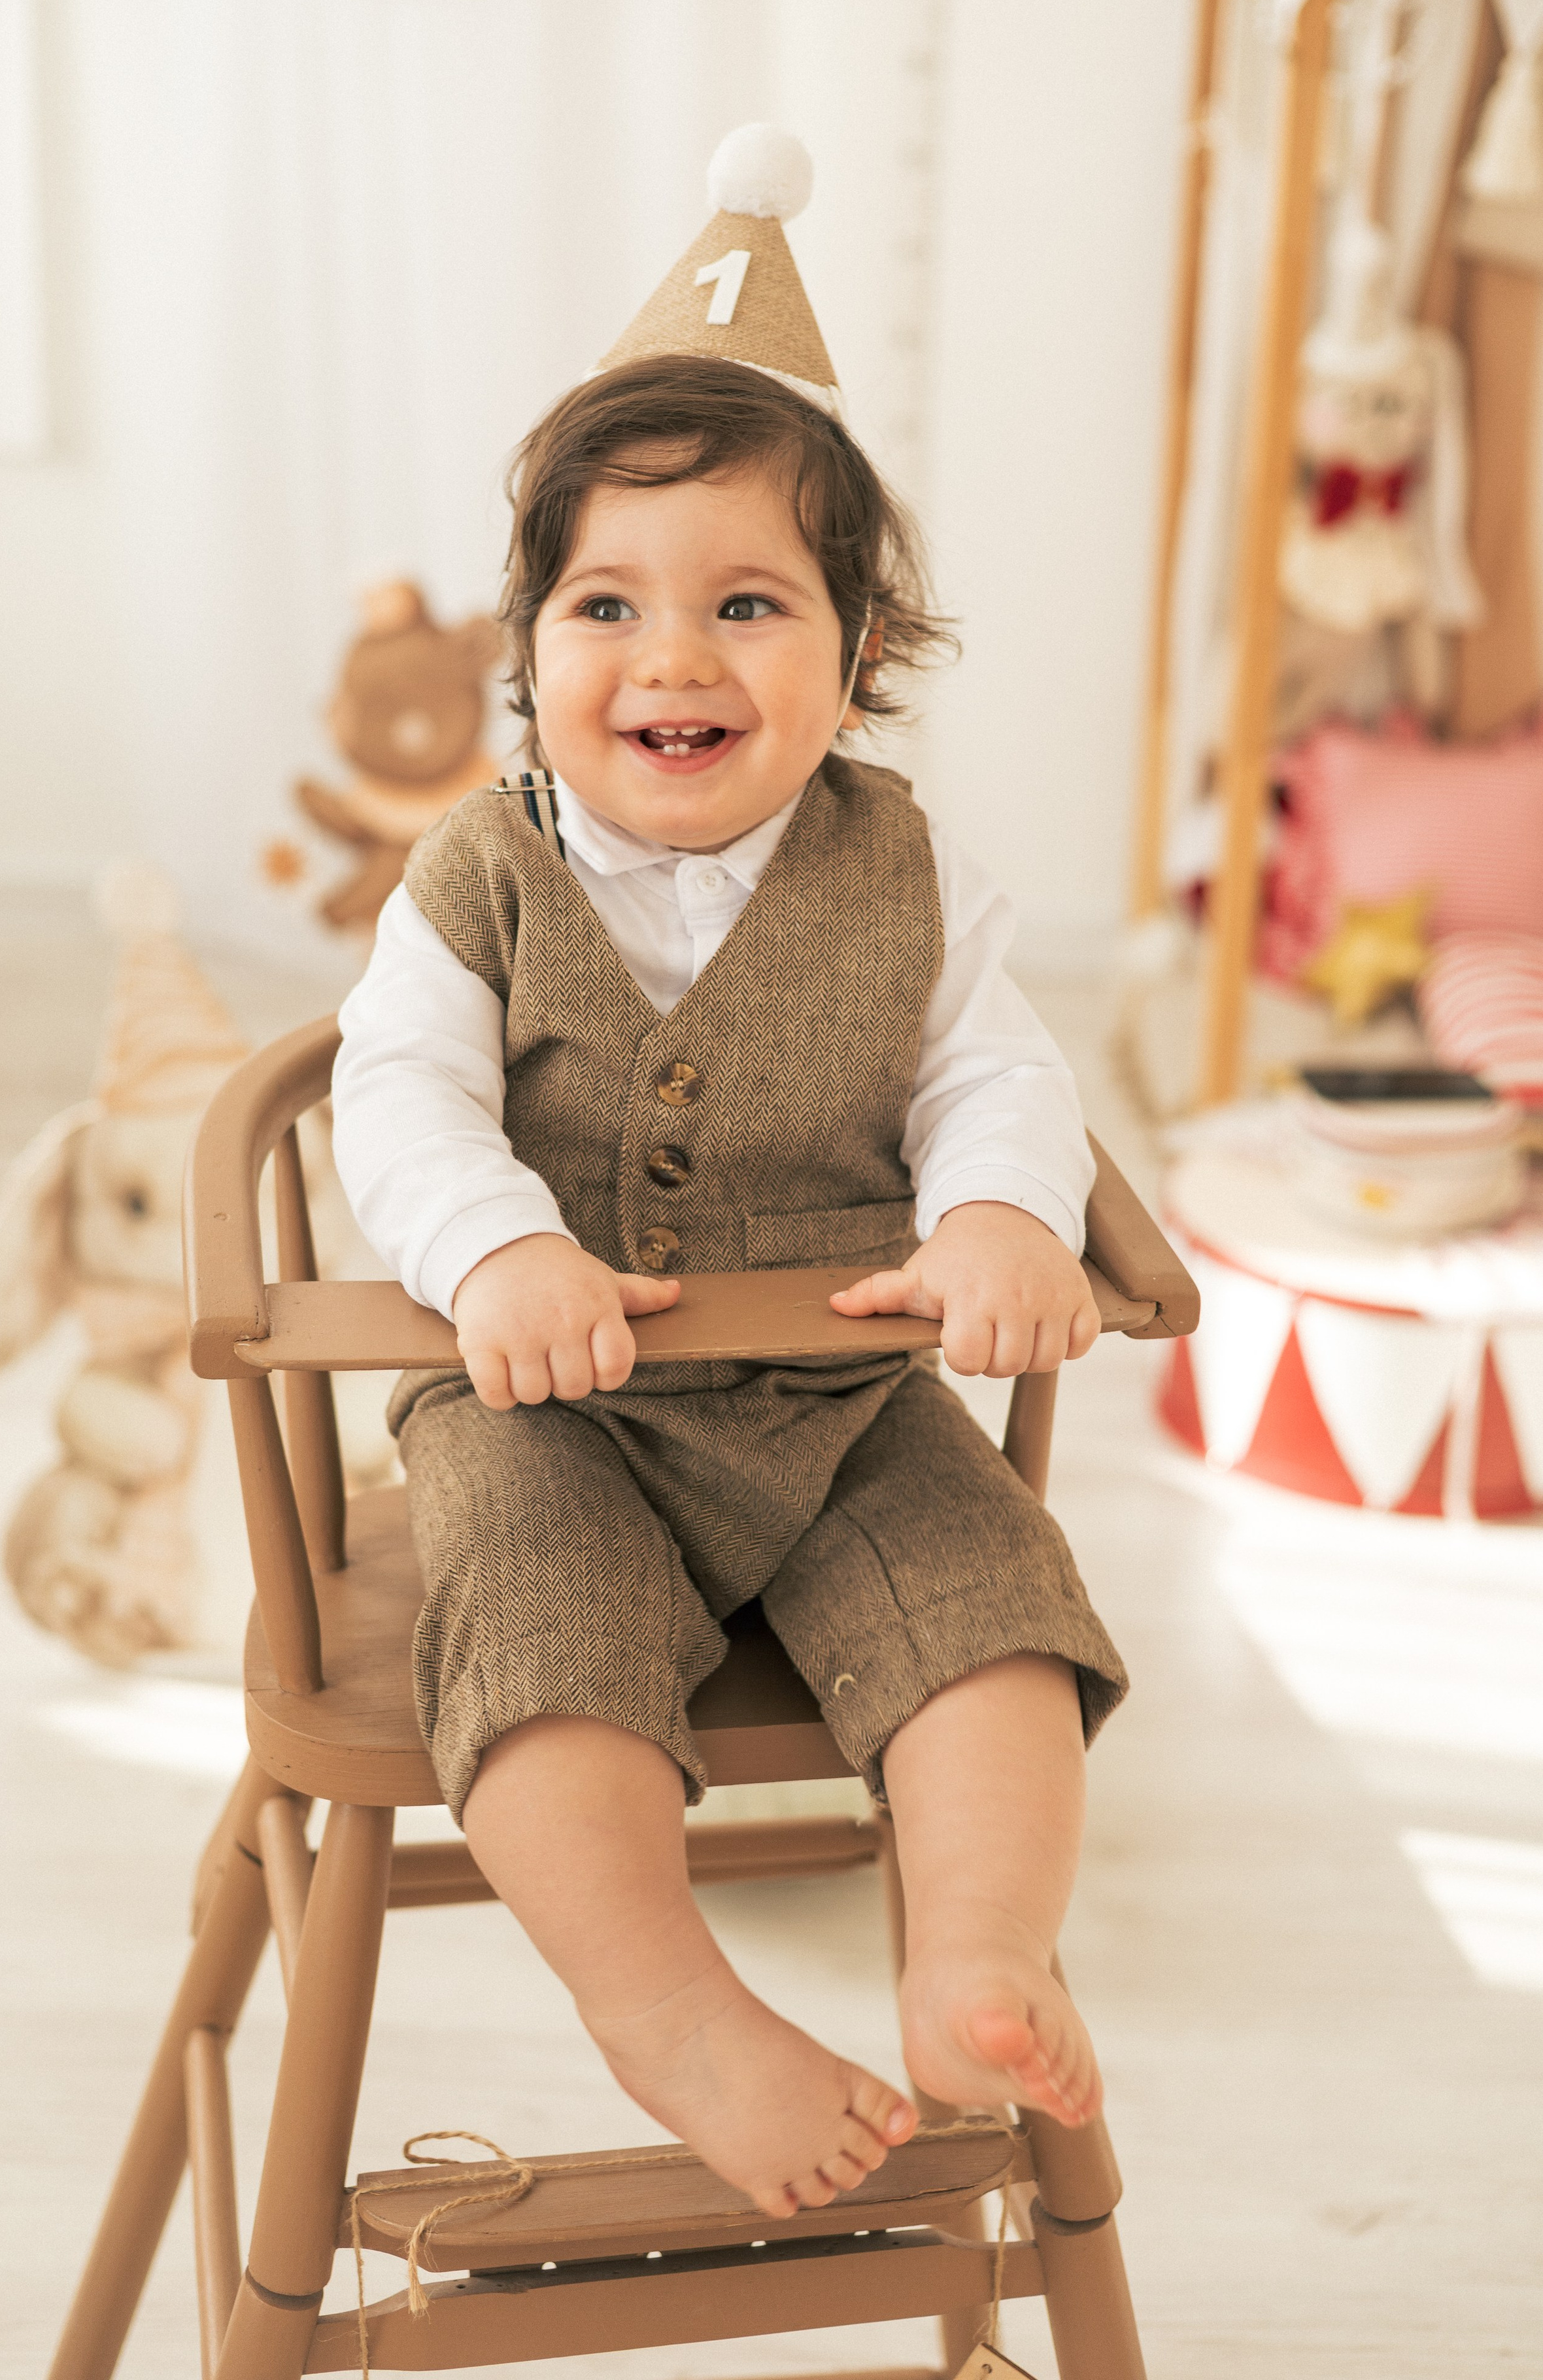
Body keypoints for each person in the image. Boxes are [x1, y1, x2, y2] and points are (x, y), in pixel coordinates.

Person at [333, 128, 1127, 2224]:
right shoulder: (478, 873)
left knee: (991, 1621)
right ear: (531, 644)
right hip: (555, 1402)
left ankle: (973, 1948)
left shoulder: (914, 869)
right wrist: (498, 1248)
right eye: (611, 604)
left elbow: (994, 1072)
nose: (673, 658)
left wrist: (995, 1215)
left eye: (747, 605)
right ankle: (670, 2007)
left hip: (839, 1391)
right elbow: (395, 1097)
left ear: (859, 656)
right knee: (539, 1645)